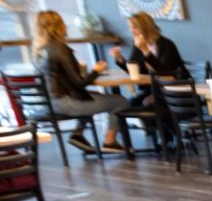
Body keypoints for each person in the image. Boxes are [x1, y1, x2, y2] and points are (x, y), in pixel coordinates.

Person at [35, 10, 133, 156]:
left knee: (88, 96)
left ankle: (78, 133)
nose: (66, 26)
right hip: (65, 103)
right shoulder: (61, 48)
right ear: (58, 27)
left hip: (49, 102)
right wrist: (96, 70)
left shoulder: (40, 51)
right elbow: (79, 83)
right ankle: (109, 141)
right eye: (63, 23)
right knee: (120, 101)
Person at [110, 11, 189, 108]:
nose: (131, 31)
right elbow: (133, 70)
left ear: (146, 27)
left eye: (135, 27)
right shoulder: (139, 44)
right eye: (130, 27)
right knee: (132, 103)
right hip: (152, 88)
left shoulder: (166, 44)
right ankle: (149, 123)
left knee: (147, 104)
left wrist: (145, 51)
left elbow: (165, 72)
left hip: (173, 87)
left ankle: (161, 123)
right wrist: (119, 58)